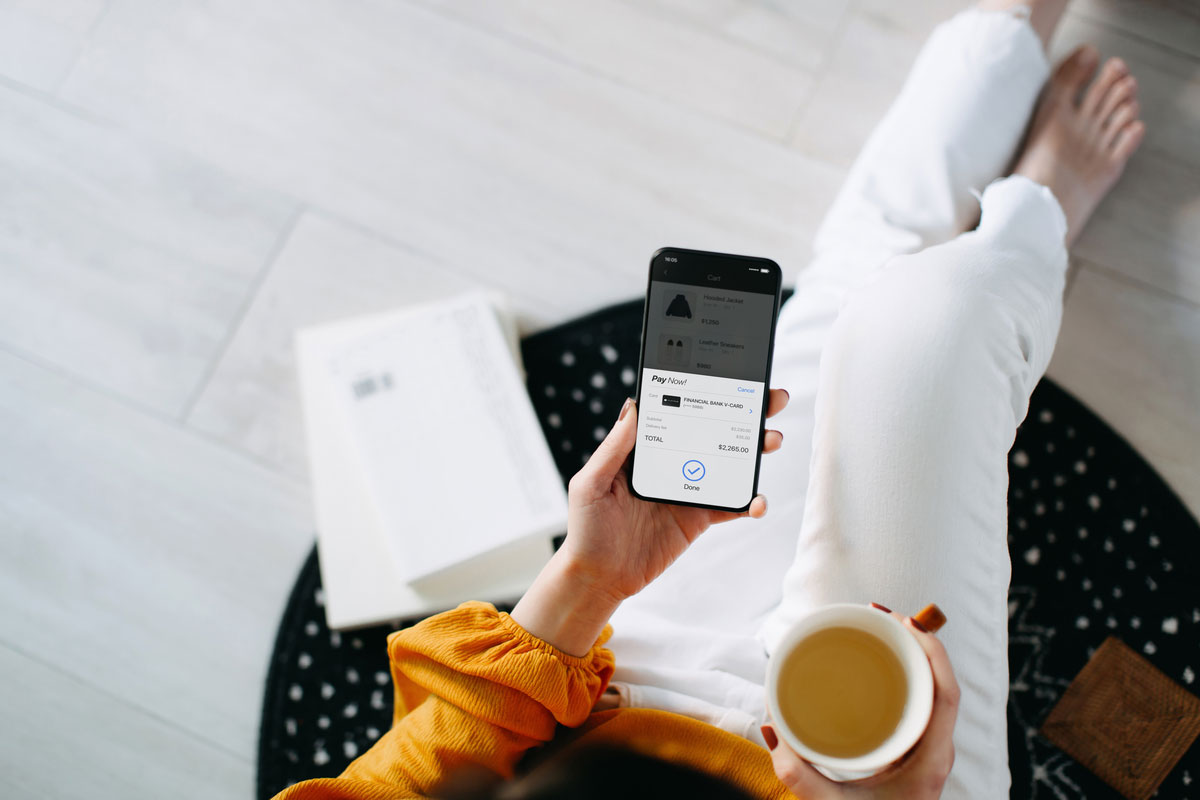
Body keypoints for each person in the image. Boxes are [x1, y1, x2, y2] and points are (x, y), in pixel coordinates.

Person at [274, 0, 1144, 796]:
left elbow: (415, 775)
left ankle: (1005, 72)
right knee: (930, 328)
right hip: (857, 786)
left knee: (845, 303)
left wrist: (586, 579)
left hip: (616, 709)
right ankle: (1036, 211)